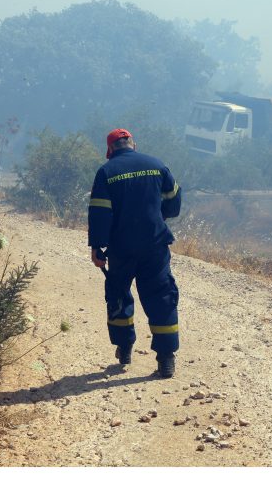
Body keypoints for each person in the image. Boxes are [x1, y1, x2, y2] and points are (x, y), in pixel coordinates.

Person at [87, 128, 182, 378]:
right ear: (133, 144)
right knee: (161, 297)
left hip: (122, 248)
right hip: (155, 247)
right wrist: (160, 215)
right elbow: (174, 200)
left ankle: (125, 347)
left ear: (110, 150)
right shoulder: (157, 165)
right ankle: (166, 358)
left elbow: (100, 212)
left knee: (118, 295)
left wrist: (97, 246)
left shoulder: (106, 172)